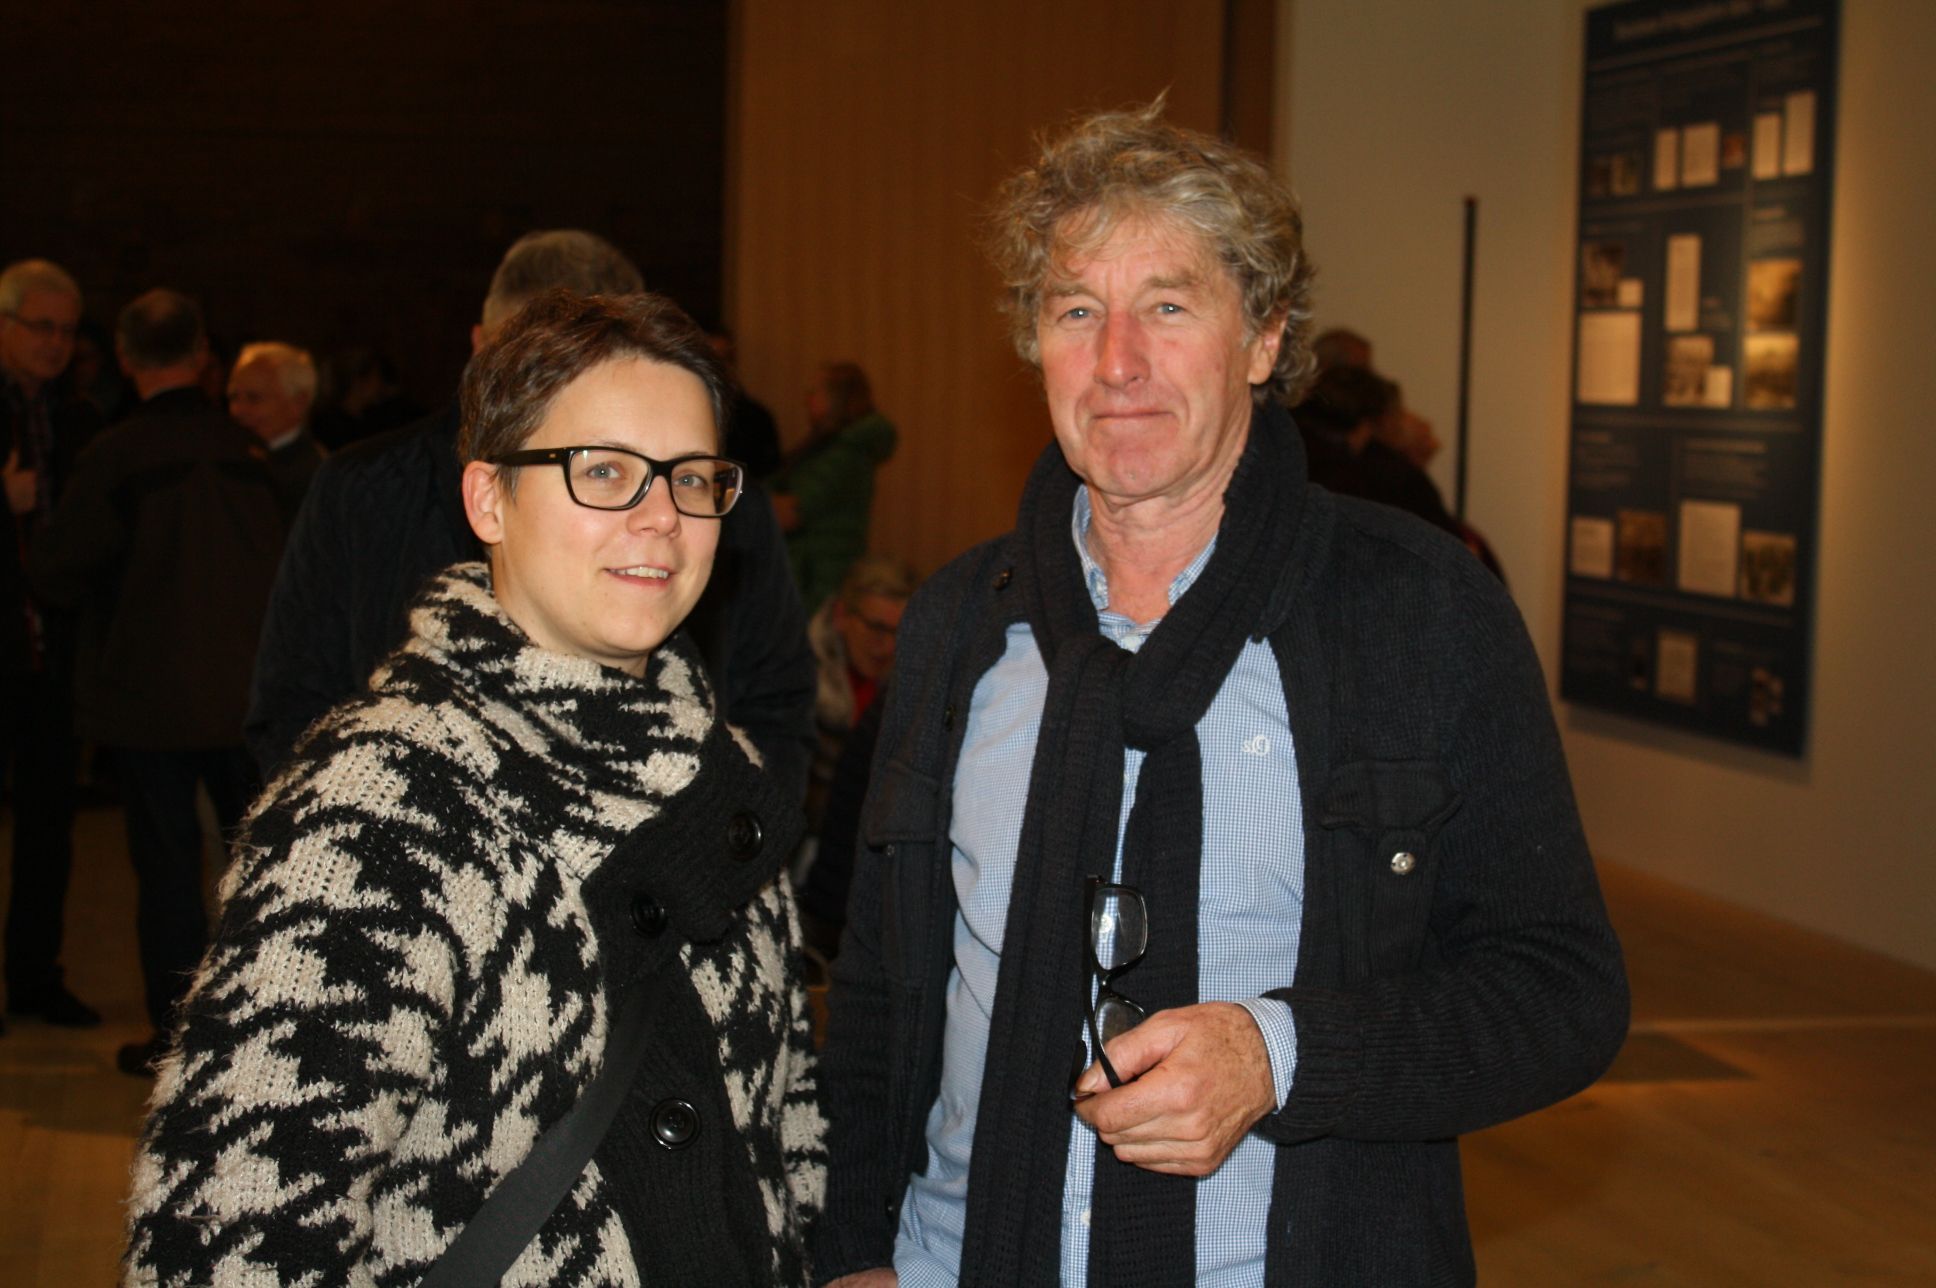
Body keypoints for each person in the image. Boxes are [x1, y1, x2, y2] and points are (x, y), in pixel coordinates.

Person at [812, 102, 1627, 1287]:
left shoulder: (1417, 612)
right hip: (955, 1260)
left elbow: (1561, 990)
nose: (1117, 362)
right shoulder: (959, 625)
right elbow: (881, 989)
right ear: (1035, 343)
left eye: (1169, 307)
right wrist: (852, 1251)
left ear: (1262, 338)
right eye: (1075, 311)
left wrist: (1279, 1055)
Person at [124, 289, 827, 1285]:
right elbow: (225, 1245)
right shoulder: (377, 807)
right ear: (488, 499)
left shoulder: (724, 778)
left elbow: (785, 1132)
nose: (661, 516)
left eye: (692, 476)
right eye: (604, 471)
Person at [246, 230, 816, 800]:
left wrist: (749, 818)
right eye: (602, 469)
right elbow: (294, 698)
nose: (660, 515)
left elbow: (778, 698)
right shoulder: (365, 488)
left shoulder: (716, 501)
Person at [31, 289, 285, 1076]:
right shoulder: (249, 453)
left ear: (125, 357)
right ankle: (257, 1030)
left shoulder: (115, 455)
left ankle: (176, 1042)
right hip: (243, 694)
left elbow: (57, 571)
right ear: (203, 353)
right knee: (257, 868)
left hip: (150, 702)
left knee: (169, 871)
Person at [0, 257, 104, 1033]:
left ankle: (35, 978)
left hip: (51, 651)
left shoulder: (75, 417)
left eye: (67, 331)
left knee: (48, 825)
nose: (56, 344)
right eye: (41, 327)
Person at [794, 553, 918, 958]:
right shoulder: (795, 677)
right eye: (877, 628)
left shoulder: (908, 697)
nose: (886, 646)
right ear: (842, 616)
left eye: (899, 632)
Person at [770, 360, 898, 614]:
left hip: (820, 578)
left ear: (837, 399)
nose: (807, 400)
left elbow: (791, 512)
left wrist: (738, 498)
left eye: (815, 392)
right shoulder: (833, 447)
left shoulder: (846, 455)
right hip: (814, 572)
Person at [227, 340, 327, 514]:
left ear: (298, 403)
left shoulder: (312, 477)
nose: (238, 410)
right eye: (233, 397)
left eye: (254, 398)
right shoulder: (235, 456)